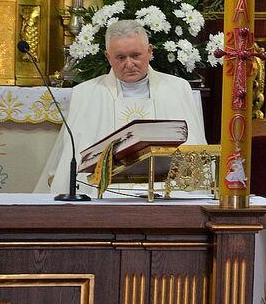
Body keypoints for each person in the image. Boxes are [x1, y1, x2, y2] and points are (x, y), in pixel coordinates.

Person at [35, 19, 207, 194]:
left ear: (149, 51)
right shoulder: (86, 94)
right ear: (108, 57)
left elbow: (194, 149)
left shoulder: (177, 88)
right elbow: (74, 156)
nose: (129, 64)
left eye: (135, 55)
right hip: (101, 194)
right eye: (120, 57)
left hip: (166, 192)